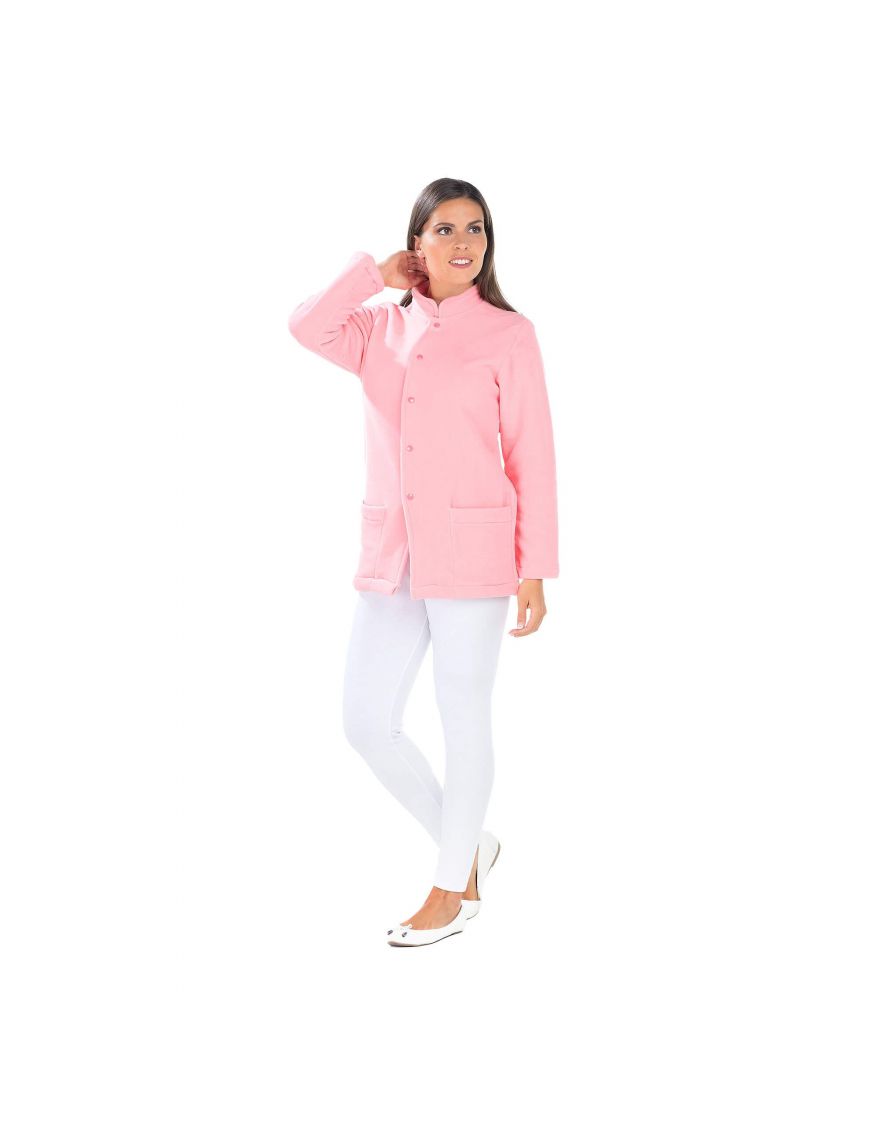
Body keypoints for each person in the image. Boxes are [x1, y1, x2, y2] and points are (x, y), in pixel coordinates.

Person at [287, 178, 559, 946]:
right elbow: (304, 326)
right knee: (365, 721)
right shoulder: (376, 327)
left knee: (462, 715)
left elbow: (532, 455)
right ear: (417, 243)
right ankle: (465, 844)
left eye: (475, 228)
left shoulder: (510, 334)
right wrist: (371, 276)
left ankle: (451, 890)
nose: (463, 242)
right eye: (444, 229)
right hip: (394, 553)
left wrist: (535, 567)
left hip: (475, 552)